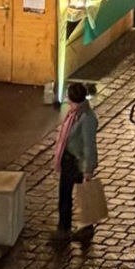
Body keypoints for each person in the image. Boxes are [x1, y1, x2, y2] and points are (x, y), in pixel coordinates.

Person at [52, 82, 98, 240]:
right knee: (65, 195)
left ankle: (84, 228)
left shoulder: (86, 118)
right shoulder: (74, 113)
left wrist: (87, 170)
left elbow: (89, 145)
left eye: (69, 98)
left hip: (77, 162)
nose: (67, 101)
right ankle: (64, 227)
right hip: (68, 160)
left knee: (83, 195)